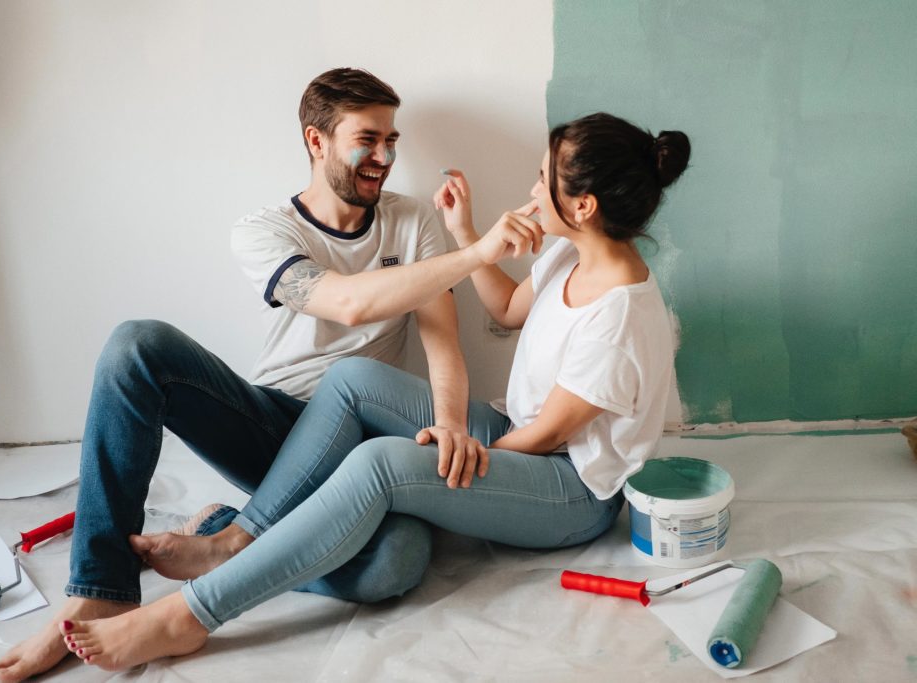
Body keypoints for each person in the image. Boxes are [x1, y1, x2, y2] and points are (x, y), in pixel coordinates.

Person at [50, 112, 692, 672]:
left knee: (383, 465)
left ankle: (187, 619)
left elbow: (552, 435)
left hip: (570, 488)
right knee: (353, 378)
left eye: (543, 178)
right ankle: (238, 539)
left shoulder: (622, 317)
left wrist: (457, 449)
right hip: (521, 435)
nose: (531, 189)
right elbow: (506, 306)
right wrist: (468, 232)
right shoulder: (568, 254)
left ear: (583, 206)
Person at [0, 67, 535, 683]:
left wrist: (453, 424)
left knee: (396, 564)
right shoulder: (264, 230)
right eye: (367, 139)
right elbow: (348, 302)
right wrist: (477, 252)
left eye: (391, 140)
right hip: (274, 428)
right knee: (136, 346)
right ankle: (100, 586)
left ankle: (229, 536)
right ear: (316, 140)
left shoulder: (413, 223)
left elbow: (442, 343)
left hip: (367, 446)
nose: (383, 156)